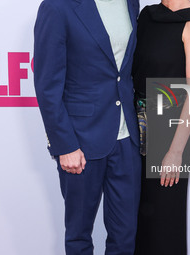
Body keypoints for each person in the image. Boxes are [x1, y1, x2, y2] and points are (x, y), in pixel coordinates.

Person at [33, 0, 141, 254]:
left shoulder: (131, 3)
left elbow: (121, 71)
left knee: (125, 237)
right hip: (80, 140)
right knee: (79, 236)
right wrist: (65, 145)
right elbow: (47, 86)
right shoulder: (57, 7)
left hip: (127, 138)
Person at [132, 0, 190, 254]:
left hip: (170, 133)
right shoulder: (147, 15)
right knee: (135, 223)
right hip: (134, 127)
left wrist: (175, 151)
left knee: (163, 225)